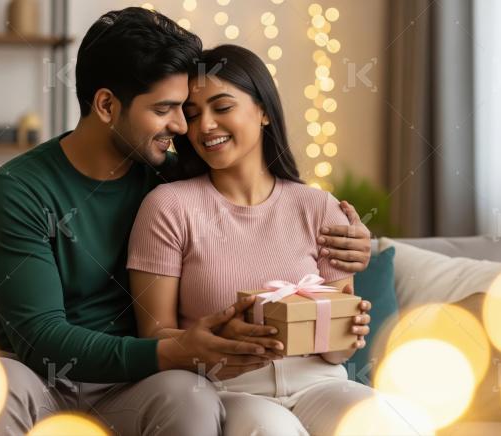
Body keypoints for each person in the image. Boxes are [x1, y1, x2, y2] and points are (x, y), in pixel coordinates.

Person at [0, 8, 372, 435]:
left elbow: (258, 212)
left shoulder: (171, 177)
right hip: (42, 378)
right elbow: (41, 337)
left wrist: (358, 240)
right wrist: (173, 350)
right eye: (166, 108)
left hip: (134, 386)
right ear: (107, 105)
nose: (184, 126)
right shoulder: (17, 190)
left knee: (190, 396)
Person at [127, 44, 374, 436]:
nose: (204, 125)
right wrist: (218, 339)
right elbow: (155, 337)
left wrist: (350, 332)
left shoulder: (318, 207)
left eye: (221, 107)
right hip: (231, 390)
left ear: (262, 110)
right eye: (192, 115)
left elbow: (336, 350)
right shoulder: (168, 207)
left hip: (323, 383)